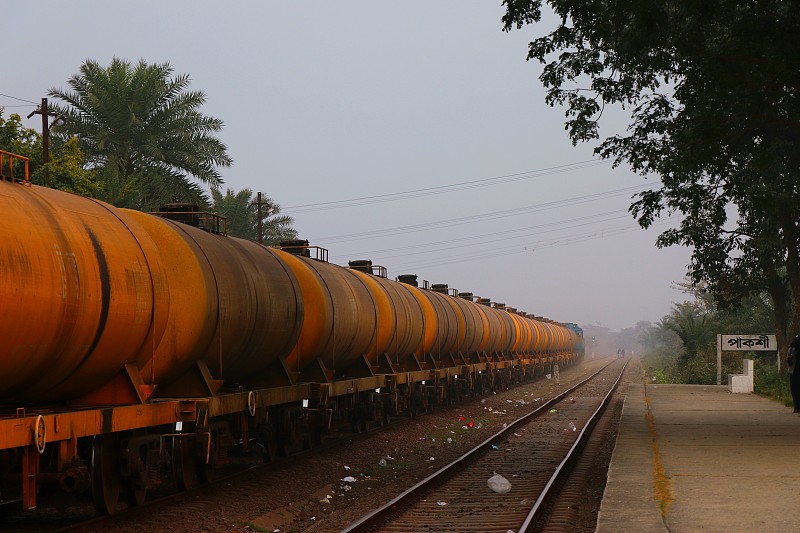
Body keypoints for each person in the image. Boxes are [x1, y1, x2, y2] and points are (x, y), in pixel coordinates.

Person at [788, 335, 800, 413]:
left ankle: (797, 407)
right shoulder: (792, 348)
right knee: (795, 389)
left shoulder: (793, 347)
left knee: (795, 389)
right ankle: (797, 407)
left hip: (794, 371)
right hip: (794, 370)